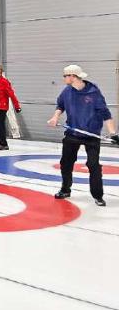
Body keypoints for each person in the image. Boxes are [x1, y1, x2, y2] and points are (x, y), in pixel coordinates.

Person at [47, 65, 119, 206]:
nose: (64, 78)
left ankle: (98, 195)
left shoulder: (94, 92)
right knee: (66, 163)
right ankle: (65, 189)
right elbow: (60, 105)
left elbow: (106, 114)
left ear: (72, 77)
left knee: (93, 165)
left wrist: (113, 134)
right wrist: (55, 117)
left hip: (91, 135)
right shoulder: (67, 91)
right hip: (72, 133)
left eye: (65, 76)